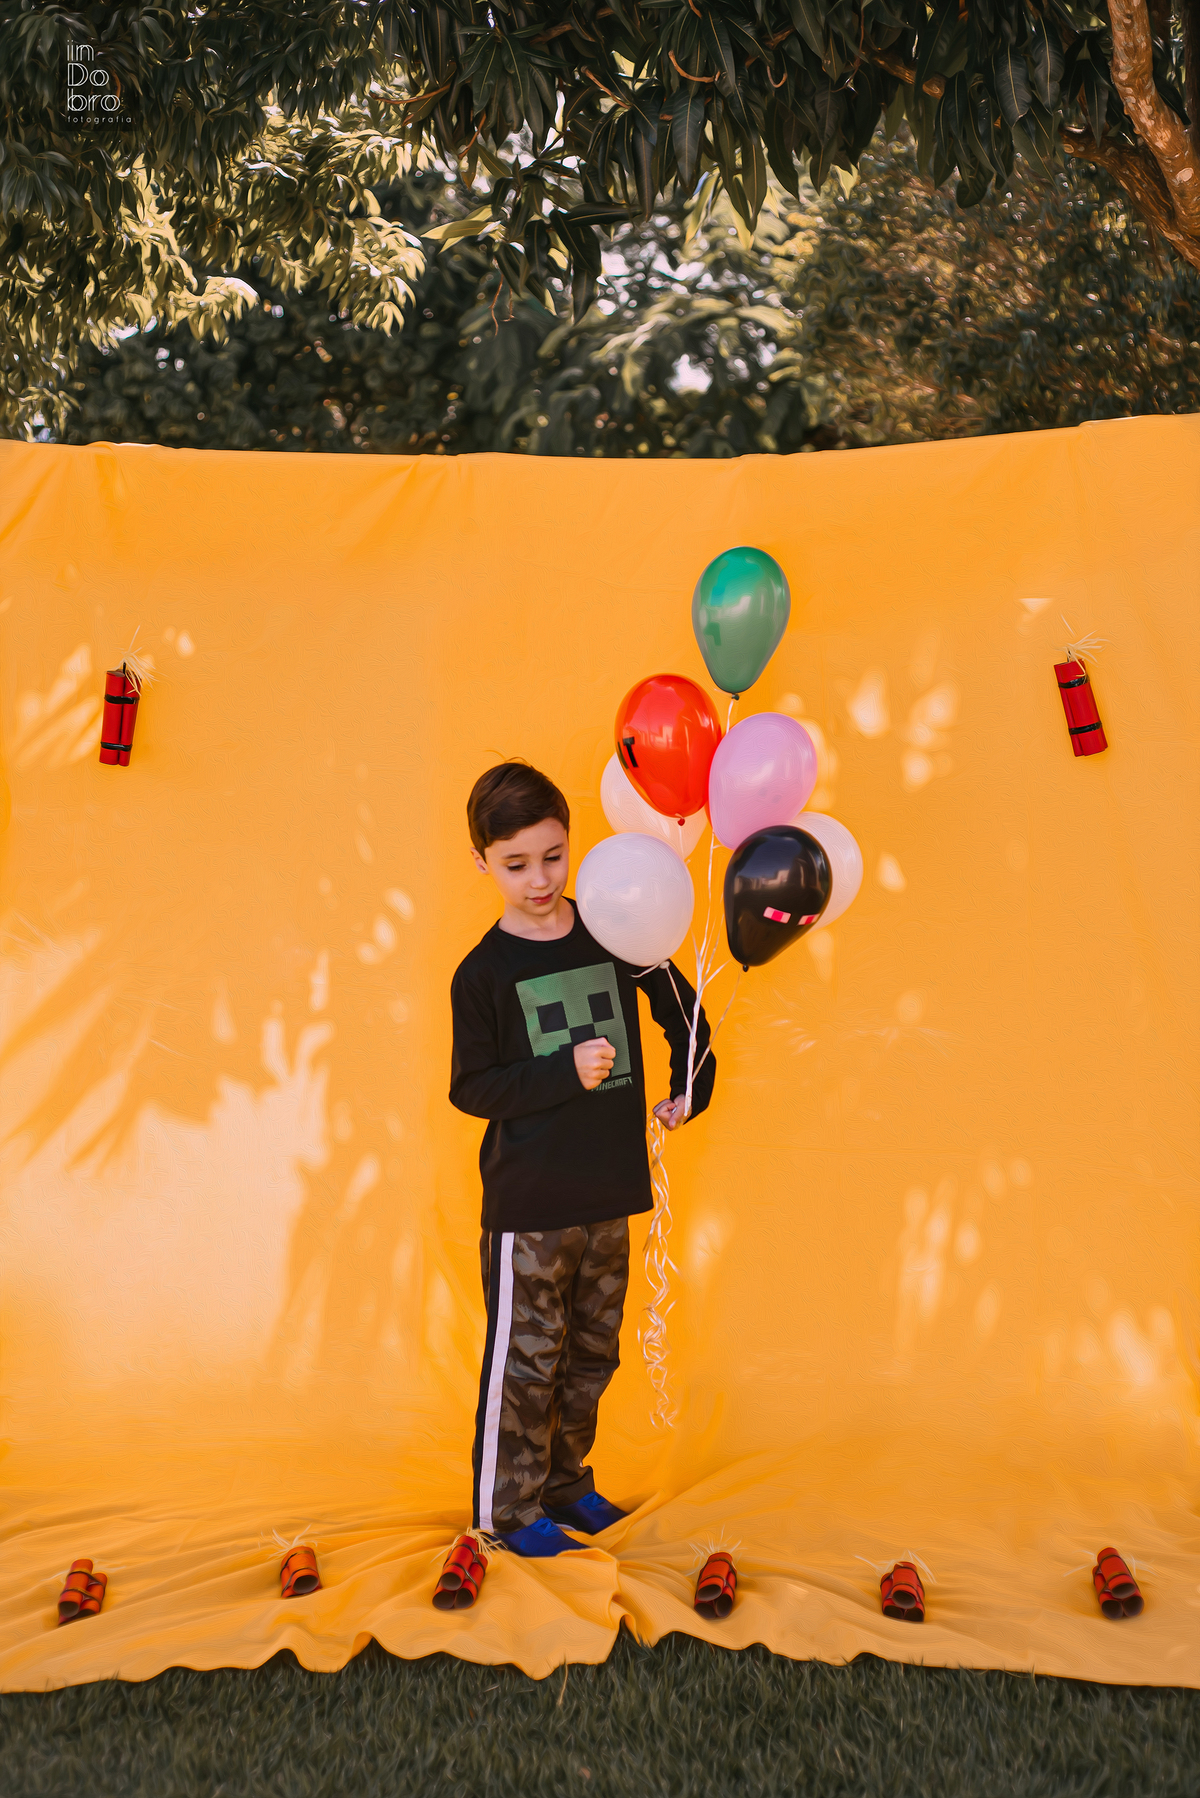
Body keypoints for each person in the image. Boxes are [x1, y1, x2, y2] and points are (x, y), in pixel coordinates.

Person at [449, 761, 716, 1558]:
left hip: (609, 1191)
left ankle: (565, 1486)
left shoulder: (612, 928)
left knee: (594, 1352)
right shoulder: (483, 973)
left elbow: (683, 1012)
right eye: (516, 864)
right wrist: (562, 1072)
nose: (539, 879)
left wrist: (688, 1087)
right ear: (483, 864)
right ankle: (507, 1509)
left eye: (553, 856)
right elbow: (473, 1087)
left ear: (574, 846)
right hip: (530, 1205)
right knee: (526, 1362)